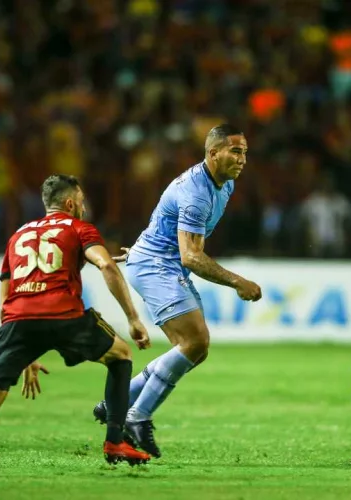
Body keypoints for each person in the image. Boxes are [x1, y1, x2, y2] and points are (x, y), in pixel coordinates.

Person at [93, 124, 262, 457]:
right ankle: (137, 417)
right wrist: (237, 281)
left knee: (194, 349)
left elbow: (173, 231)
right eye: (236, 151)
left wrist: (141, 250)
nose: (243, 159)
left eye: (245, 152)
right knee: (194, 342)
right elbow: (192, 255)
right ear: (213, 153)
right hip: (160, 265)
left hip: (160, 262)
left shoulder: (223, 184)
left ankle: (116, 401)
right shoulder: (197, 192)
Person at [0, 174, 152, 465]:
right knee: (121, 355)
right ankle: (115, 443)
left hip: (19, 319)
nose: (84, 207)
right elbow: (105, 264)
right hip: (64, 315)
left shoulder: (18, 234)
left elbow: (6, 298)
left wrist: (25, 352)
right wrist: (133, 317)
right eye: (81, 202)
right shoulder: (81, 228)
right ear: (70, 203)